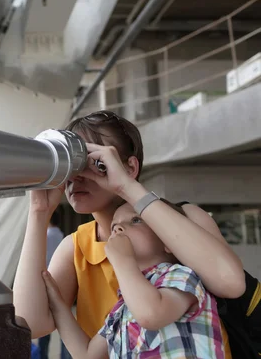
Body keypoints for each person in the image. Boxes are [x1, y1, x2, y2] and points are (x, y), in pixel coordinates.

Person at [13, 110, 245, 358]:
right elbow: (30, 323)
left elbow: (231, 283)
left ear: (130, 166)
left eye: (93, 161)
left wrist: (126, 186)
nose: (77, 177)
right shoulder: (78, 246)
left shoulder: (183, 217)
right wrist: (39, 210)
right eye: (73, 165)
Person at [41, 202, 225, 358]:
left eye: (136, 220)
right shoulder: (124, 306)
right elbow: (88, 354)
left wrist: (123, 261)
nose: (119, 228)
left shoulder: (181, 276)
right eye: (114, 227)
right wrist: (57, 304)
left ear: (168, 241)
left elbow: (151, 314)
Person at [38, 209, 65, 359]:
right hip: (61, 279)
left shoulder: (46, 236)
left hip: (45, 280)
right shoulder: (61, 235)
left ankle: (43, 356)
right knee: (63, 323)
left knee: (44, 322)